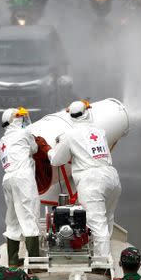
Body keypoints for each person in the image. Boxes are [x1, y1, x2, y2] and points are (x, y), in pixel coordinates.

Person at [48, 100, 121, 258]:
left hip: (92, 181)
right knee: (107, 219)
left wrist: (51, 151)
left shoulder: (69, 135)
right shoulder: (100, 131)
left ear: (71, 116)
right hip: (111, 176)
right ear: (87, 112)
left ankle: (102, 265)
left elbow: (57, 160)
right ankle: (103, 253)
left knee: (97, 225)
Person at [0, 107, 41, 267]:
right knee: (29, 215)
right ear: (16, 120)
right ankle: (34, 263)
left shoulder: (2, 141)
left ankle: (13, 260)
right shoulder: (24, 134)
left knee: (12, 219)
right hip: (23, 178)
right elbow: (34, 149)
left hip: (8, 179)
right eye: (20, 117)